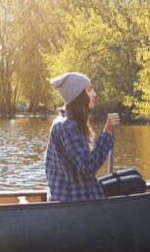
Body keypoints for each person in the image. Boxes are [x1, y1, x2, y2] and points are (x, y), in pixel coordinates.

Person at [44, 72, 119, 202]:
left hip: (82, 190)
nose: (94, 94)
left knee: (133, 176)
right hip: (73, 201)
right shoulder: (65, 127)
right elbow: (88, 166)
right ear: (78, 96)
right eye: (89, 90)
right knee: (135, 183)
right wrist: (107, 132)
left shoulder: (72, 122)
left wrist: (109, 133)